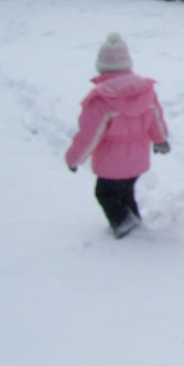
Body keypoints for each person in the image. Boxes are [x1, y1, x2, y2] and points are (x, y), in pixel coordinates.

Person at [65, 33, 169, 239]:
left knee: (105, 193)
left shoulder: (100, 99)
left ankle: (123, 224)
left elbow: (89, 136)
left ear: (101, 66)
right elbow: (156, 118)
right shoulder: (145, 91)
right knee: (125, 191)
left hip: (111, 163)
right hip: (137, 159)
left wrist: (73, 159)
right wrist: (160, 140)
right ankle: (133, 220)